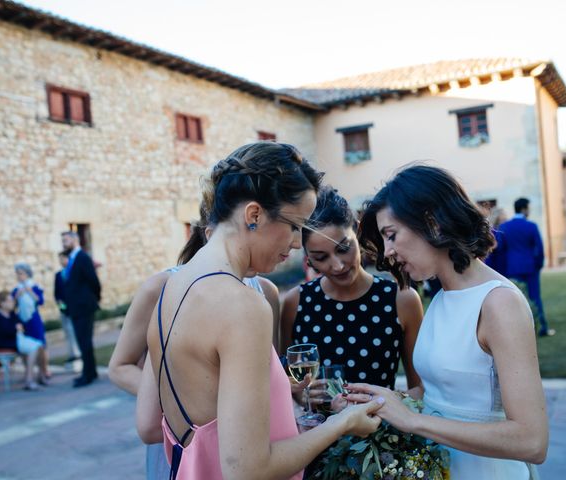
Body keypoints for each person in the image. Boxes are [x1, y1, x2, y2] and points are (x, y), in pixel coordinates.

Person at [136, 142, 383, 480]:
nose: (298, 243)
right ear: (253, 215)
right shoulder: (242, 304)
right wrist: (342, 424)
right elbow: (249, 469)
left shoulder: (169, 290)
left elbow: (150, 425)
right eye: (295, 225)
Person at [343, 164, 547, 479]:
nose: (388, 253)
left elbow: (532, 441)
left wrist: (411, 421)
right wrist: (383, 400)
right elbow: (439, 394)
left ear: (433, 222)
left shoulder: (498, 303)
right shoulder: (440, 298)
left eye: (392, 235)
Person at [109, 204, 284, 480]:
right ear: (210, 233)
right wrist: (187, 395)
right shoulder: (162, 288)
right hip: (185, 439)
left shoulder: (266, 292)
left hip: (250, 441)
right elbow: (119, 366)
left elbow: (264, 373)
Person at [281, 185, 423, 397]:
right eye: (321, 257)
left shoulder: (400, 299)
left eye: (343, 248)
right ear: (307, 258)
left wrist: (379, 402)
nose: (338, 265)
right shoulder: (296, 303)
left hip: (381, 427)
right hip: (320, 430)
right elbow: (286, 384)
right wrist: (301, 395)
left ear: (356, 231)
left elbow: (420, 389)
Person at [499, 198, 553, 337]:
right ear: (523, 209)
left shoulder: (505, 227)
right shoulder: (531, 226)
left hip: (512, 268)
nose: (529, 211)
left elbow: (501, 250)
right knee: (535, 297)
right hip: (530, 267)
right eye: (528, 208)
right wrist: (538, 265)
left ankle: (518, 330)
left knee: (516, 300)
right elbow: (539, 249)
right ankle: (542, 327)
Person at [61, 231, 102, 388]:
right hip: (76, 308)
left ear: (75, 240)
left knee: (85, 341)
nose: (63, 243)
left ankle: (88, 374)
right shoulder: (72, 258)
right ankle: (90, 372)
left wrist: (94, 298)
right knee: (83, 341)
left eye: (65, 240)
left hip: (84, 306)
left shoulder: (82, 257)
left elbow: (93, 280)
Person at [0, 291, 44, 390]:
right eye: (10, 301)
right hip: (5, 343)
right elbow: (4, 332)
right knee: (34, 348)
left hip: (17, 340)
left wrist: (19, 327)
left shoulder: (12, 315)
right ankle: (29, 379)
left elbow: (21, 325)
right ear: (2, 303)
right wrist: (16, 328)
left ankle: (41, 375)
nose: (13, 303)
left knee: (39, 345)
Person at [12, 263, 49, 383]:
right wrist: (17, 296)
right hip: (23, 322)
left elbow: (41, 301)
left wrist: (30, 292)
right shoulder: (16, 289)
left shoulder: (34, 286)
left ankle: (42, 373)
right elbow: (12, 305)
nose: (19, 276)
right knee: (26, 349)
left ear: (27, 274)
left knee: (41, 346)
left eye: (21, 273)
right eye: (17, 273)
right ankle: (28, 373)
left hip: (34, 320)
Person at [54, 251, 81, 363]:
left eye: (62, 259)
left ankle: (78, 352)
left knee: (75, 331)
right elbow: (57, 292)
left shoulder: (73, 273)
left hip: (74, 307)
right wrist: (61, 304)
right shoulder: (58, 275)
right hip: (64, 308)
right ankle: (72, 352)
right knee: (67, 331)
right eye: (59, 259)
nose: (61, 261)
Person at [485, 207, 508, 276]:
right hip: (494, 262)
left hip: (501, 261)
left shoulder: (502, 230)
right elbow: (495, 246)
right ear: (497, 216)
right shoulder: (492, 231)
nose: (505, 217)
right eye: (503, 215)